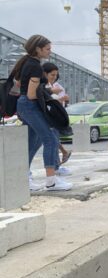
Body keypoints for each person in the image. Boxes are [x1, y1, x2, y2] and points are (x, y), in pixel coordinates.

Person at [12, 35, 72, 191]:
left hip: (24, 105)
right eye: (47, 49)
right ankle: (51, 181)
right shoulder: (36, 67)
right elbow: (32, 94)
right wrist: (49, 93)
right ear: (38, 49)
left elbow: (19, 84)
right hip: (31, 105)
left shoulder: (27, 62)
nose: (50, 52)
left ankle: (24, 178)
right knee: (50, 139)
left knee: (33, 143)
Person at [42, 62, 72, 172]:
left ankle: (55, 168)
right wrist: (61, 99)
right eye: (52, 75)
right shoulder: (44, 86)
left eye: (56, 75)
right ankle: (53, 171)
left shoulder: (50, 86)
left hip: (52, 118)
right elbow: (48, 102)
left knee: (52, 141)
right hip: (48, 119)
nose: (54, 77)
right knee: (50, 142)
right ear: (45, 74)